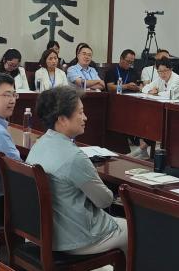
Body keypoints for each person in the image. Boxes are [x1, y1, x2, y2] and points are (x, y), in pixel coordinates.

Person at [28, 85, 128, 254]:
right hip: (74, 238)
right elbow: (104, 201)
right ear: (62, 119)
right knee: (133, 228)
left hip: (43, 232)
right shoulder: (74, 157)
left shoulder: (39, 144)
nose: (85, 117)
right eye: (80, 112)